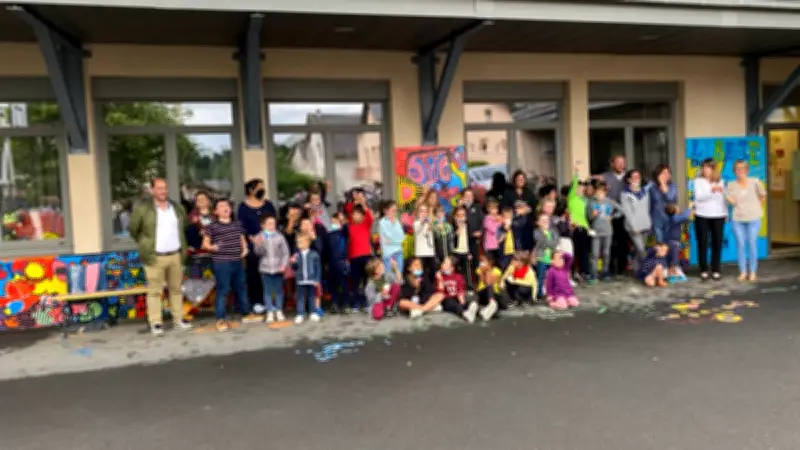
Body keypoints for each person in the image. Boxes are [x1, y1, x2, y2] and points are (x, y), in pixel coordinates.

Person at [129, 178, 192, 336]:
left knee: (176, 289)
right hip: (154, 256)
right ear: (151, 190)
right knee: (154, 291)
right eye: (159, 188)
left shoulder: (177, 208)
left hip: (175, 254)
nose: (163, 191)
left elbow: (183, 227)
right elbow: (133, 230)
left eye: (165, 188)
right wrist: (145, 243)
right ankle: (156, 323)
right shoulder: (143, 209)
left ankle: (179, 319)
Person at [203, 199, 261, 332]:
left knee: (241, 287)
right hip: (222, 262)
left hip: (237, 261)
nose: (225, 208)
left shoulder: (237, 224)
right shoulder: (212, 226)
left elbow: (242, 239)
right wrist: (213, 247)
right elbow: (205, 244)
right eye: (221, 206)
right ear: (216, 211)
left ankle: (247, 314)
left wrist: (245, 249)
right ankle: (221, 319)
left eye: (227, 206)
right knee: (223, 290)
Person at [238, 178, 277, 314]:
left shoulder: (268, 205)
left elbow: (273, 222)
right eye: (259, 187)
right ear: (251, 190)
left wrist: (265, 235)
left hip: (269, 242)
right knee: (254, 273)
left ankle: (271, 300)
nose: (262, 190)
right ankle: (256, 301)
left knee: (270, 272)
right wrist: (252, 238)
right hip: (252, 245)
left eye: (263, 187)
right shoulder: (243, 207)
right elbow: (241, 227)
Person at [726, 160, 766, 282]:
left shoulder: (755, 182)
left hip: (753, 218)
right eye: (737, 169)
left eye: (742, 169)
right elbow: (730, 200)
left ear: (747, 170)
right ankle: (743, 272)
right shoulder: (731, 184)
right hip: (738, 218)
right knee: (741, 245)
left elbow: (763, 195)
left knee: (752, 243)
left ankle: (753, 272)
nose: (740, 171)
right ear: (734, 171)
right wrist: (727, 197)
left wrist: (757, 206)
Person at [693, 158, 727, 281]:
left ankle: (716, 268)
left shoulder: (721, 181)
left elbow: (723, 198)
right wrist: (711, 191)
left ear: (714, 169)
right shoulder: (698, 181)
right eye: (704, 167)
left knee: (717, 243)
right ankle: (703, 269)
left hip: (719, 215)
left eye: (708, 167)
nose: (706, 169)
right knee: (702, 242)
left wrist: (726, 212)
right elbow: (698, 198)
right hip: (701, 215)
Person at [253, 215, 290, 324]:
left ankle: (279, 310)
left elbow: (285, 253)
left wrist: (284, 265)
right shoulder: (259, 236)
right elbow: (258, 253)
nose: (271, 226)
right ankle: (270, 311)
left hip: (279, 268)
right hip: (265, 268)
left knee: (278, 290)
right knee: (268, 291)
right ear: (263, 225)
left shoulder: (279, 236)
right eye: (269, 224)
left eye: (273, 223)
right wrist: (259, 244)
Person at [588, 182, 622, 283]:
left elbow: (621, 210)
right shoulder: (591, 202)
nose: (599, 194)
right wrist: (593, 215)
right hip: (596, 231)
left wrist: (612, 217)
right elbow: (588, 217)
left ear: (605, 192)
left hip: (608, 231)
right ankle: (593, 275)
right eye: (597, 192)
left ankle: (605, 272)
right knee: (594, 254)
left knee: (606, 253)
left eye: (601, 192)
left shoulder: (610, 202)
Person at [601, 155, 629, 278]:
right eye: (618, 162)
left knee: (623, 241)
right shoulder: (605, 177)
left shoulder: (628, 177)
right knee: (610, 242)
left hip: (625, 214)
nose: (621, 165)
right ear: (612, 164)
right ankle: (610, 268)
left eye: (622, 162)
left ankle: (622, 268)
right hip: (609, 215)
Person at [619, 169, 652, 266]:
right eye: (634, 177)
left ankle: (636, 267)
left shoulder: (645, 193)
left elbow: (647, 208)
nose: (637, 179)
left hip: (645, 224)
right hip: (633, 226)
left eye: (638, 177)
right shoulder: (626, 194)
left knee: (641, 249)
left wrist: (649, 222)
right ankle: (647, 270)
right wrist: (634, 227)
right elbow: (628, 211)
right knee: (641, 248)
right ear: (629, 180)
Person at [435, 256, 479, 323]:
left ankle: (471, 308)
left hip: (457, 297)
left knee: (467, 300)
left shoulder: (458, 276)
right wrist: (439, 279)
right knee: (452, 303)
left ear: (452, 267)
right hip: (447, 298)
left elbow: (460, 289)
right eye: (443, 263)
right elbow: (440, 291)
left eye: (445, 263)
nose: (442, 265)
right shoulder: (440, 277)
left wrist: (462, 300)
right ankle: (464, 313)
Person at [567, 164, 591, 280]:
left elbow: (585, 216)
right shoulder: (572, 198)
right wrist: (576, 173)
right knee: (575, 251)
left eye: (582, 188)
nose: (580, 189)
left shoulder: (584, 200)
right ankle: (574, 272)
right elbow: (574, 185)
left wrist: (588, 227)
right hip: (575, 228)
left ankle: (584, 272)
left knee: (585, 252)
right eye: (578, 188)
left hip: (584, 227)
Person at [348, 204, 374, 312]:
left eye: (358, 214)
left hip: (366, 256)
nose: (356, 216)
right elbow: (348, 208)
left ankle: (367, 302)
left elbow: (370, 217)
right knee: (355, 282)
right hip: (354, 257)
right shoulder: (349, 226)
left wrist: (363, 203)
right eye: (354, 214)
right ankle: (356, 303)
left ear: (363, 216)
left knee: (366, 281)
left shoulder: (366, 224)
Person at [291, 233, 322, 324]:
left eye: (301, 242)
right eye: (298, 242)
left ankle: (312, 312)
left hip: (311, 280)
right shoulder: (296, 255)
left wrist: (317, 279)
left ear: (308, 243)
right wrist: (293, 263)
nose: (298, 244)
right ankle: (300, 314)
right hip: (300, 280)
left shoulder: (314, 254)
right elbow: (294, 268)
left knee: (311, 297)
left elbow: (318, 268)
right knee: (300, 298)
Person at [326, 211, 350, 314]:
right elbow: (326, 249)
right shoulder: (328, 234)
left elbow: (346, 229)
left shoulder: (343, 232)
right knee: (333, 284)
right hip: (331, 262)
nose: (333, 222)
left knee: (343, 284)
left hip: (341, 261)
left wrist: (342, 222)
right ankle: (334, 303)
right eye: (332, 221)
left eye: (336, 221)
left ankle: (345, 304)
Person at [663, 203, 692, 282]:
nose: (679, 208)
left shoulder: (673, 218)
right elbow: (685, 216)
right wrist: (689, 207)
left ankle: (671, 274)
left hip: (671, 242)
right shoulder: (675, 218)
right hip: (673, 243)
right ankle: (672, 275)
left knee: (672, 259)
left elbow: (685, 218)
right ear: (674, 210)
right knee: (674, 260)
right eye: (677, 207)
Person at [533, 213, 559, 299]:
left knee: (551, 277)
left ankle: (551, 292)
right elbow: (541, 242)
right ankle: (539, 293)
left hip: (551, 258)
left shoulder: (553, 231)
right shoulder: (536, 232)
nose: (545, 222)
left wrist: (548, 244)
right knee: (540, 277)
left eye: (547, 220)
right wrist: (546, 237)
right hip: (541, 257)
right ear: (538, 222)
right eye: (543, 221)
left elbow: (555, 243)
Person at [378, 200, 406, 283]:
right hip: (389, 254)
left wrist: (395, 239)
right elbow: (389, 238)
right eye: (393, 211)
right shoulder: (382, 222)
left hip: (399, 252)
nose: (395, 213)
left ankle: (399, 295)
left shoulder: (397, 221)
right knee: (389, 279)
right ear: (386, 211)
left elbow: (402, 237)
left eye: (396, 211)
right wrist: (395, 239)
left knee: (399, 276)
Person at [475, 253, 506, 320]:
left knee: (491, 287)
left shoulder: (497, 271)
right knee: (489, 287)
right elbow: (485, 282)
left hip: (495, 294)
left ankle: (490, 306)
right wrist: (484, 271)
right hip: (483, 293)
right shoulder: (479, 270)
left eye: (483, 261)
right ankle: (491, 305)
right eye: (480, 261)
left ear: (490, 262)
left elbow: (489, 281)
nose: (481, 263)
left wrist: (488, 271)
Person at [451, 206, 474, 291]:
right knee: (455, 270)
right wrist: (457, 230)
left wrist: (470, 252)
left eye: (463, 215)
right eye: (459, 215)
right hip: (455, 251)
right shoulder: (452, 226)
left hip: (465, 251)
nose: (461, 217)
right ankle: (456, 288)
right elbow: (451, 238)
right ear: (455, 216)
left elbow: (470, 240)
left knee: (467, 271)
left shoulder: (468, 226)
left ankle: (469, 287)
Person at [461, 188, 484, 268]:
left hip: (474, 239)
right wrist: (459, 207)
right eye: (466, 196)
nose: (468, 198)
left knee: (476, 262)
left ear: (473, 197)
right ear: (462, 197)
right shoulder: (460, 208)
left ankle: (477, 279)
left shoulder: (477, 207)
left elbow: (482, 220)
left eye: (470, 196)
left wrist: (480, 231)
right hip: (463, 239)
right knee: (465, 263)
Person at [413, 204, 437, 281]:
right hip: (420, 253)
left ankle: (430, 287)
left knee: (432, 272)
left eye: (426, 211)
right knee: (420, 274)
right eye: (421, 211)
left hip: (430, 252)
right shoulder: (416, 223)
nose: (424, 213)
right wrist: (423, 221)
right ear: (418, 213)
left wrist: (431, 226)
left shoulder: (429, 223)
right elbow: (418, 229)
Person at [482, 198, 502, 263]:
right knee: (491, 262)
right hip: (490, 245)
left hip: (498, 244)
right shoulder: (487, 218)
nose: (495, 210)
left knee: (498, 262)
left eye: (496, 208)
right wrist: (497, 221)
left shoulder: (499, 217)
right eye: (492, 209)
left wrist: (499, 220)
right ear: (488, 209)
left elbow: (503, 227)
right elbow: (493, 229)